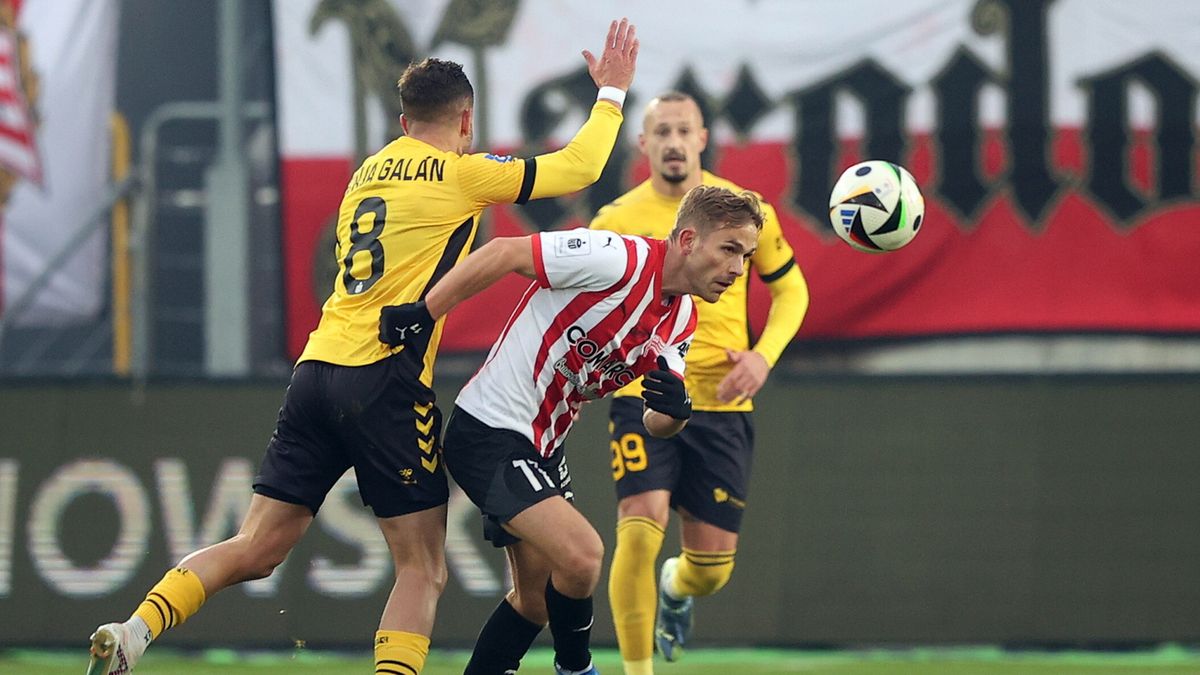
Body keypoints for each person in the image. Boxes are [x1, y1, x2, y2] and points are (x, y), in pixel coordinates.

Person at [85, 18, 640, 675]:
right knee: (422, 567)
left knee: (257, 543)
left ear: (403, 122)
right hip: (384, 380)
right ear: (466, 122)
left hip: (316, 370)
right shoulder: (462, 173)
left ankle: (136, 628)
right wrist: (611, 93)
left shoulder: (365, 176)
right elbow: (579, 167)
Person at [379, 185, 765, 675]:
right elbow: (504, 252)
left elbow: (657, 424)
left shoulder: (683, 319)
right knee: (583, 555)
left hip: (542, 446)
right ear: (688, 239)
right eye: (729, 249)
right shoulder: (616, 259)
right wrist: (424, 313)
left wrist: (677, 411)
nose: (738, 269)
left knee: (534, 601)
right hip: (489, 429)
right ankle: (576, 668)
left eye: (747, 255)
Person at [589, 92, 809, 675]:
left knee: (710, 571)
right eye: (661, 131)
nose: (673, 141)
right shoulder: (614, 220)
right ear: (643, 144)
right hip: (644, 393)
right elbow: (586, 310)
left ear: (703, 138)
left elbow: (792, 290)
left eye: (683, 130)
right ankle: (638, 671)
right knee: (638, 528)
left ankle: (678, 588)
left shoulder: (745, 210)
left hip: (723, 401)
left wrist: (762, 357)